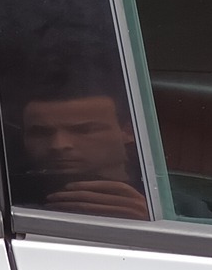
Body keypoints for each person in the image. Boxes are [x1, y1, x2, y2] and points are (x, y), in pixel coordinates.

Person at [19, 89, 151, 220]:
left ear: (129, 132)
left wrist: (148, 219)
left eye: (84, 130)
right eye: (41, 133)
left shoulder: (158, 192)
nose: (59, 145)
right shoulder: (12, 193)